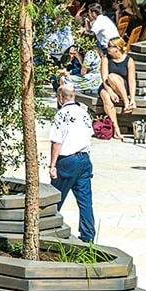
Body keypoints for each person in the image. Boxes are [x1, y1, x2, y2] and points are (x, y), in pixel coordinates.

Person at [47, 80, 99, 242]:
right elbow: (89, 133)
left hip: (67, 160)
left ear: (60, 97)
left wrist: (53, 165)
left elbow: (56, 142)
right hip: (84, 159)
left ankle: (47, 229)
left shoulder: (61, 115)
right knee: (85, 200)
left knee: (55, 198)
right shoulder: (84, 113)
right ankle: (88, 235)